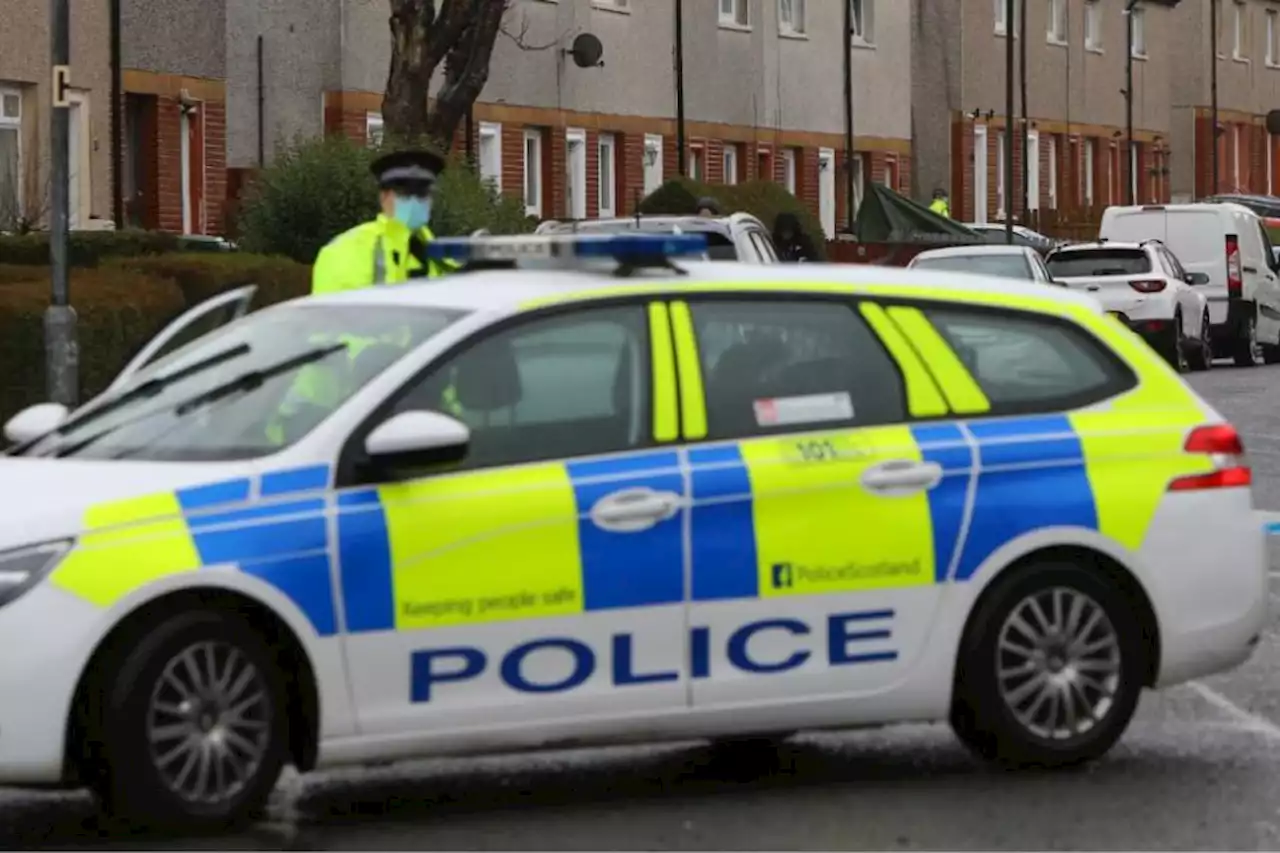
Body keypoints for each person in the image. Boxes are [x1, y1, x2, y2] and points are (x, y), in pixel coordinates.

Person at [311, 148, 458, 293]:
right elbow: (330, 313)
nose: (414, 201)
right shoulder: (344, 251)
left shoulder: (445, 259)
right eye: (404, 194)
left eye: (422, 193)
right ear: (383, 197)